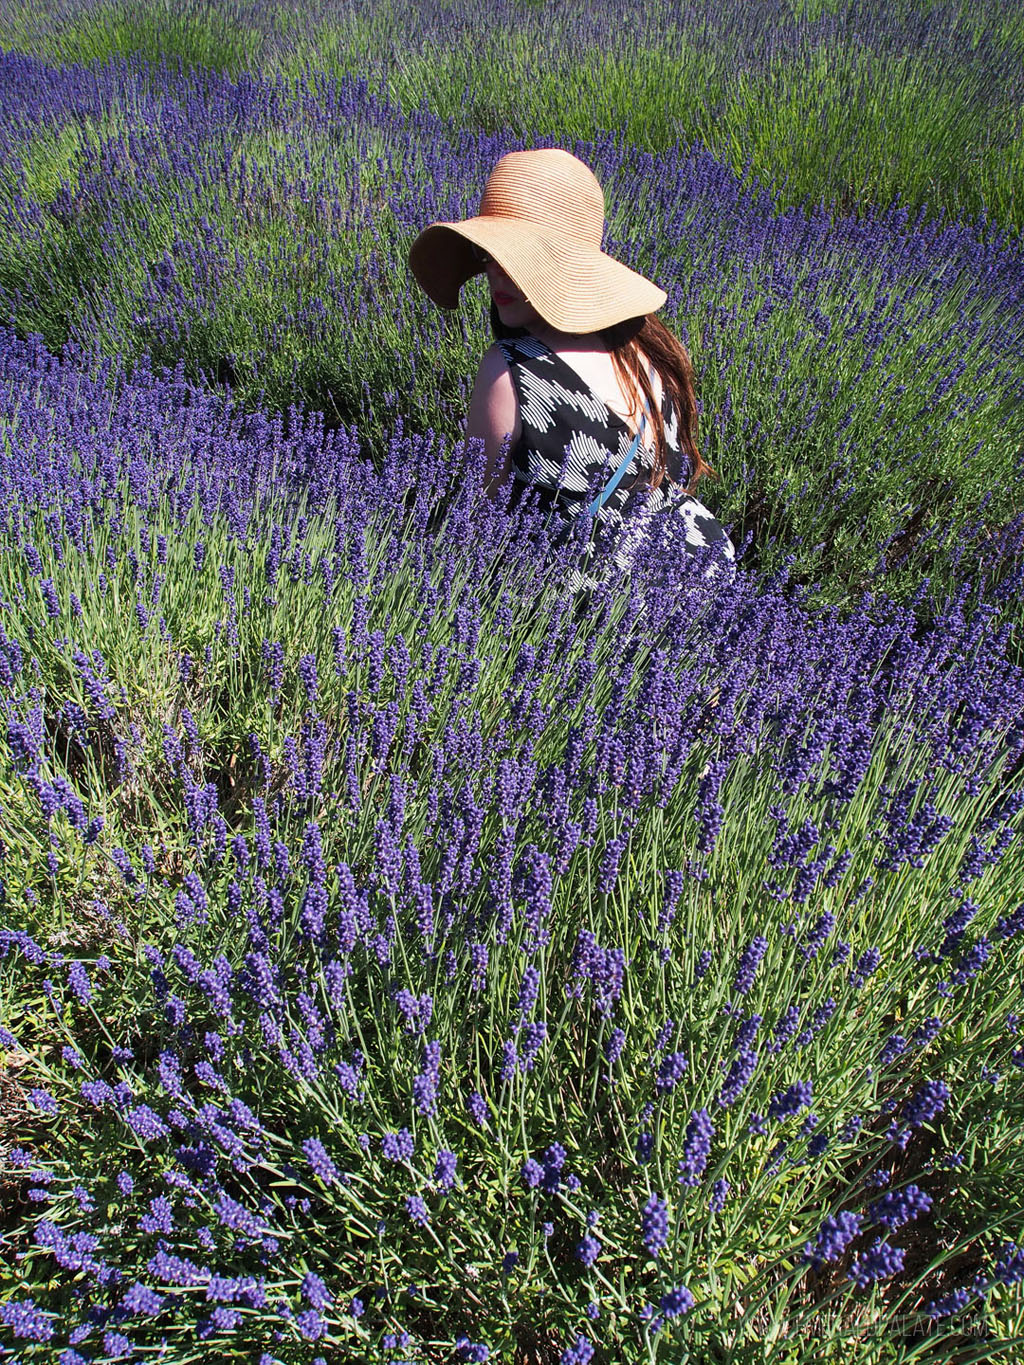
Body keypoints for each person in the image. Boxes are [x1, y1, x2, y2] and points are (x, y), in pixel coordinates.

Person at [408, 147, 733, 594]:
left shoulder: (512, 370)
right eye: (487, 256)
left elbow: (477, 519)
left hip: (584, 616)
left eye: (517, 259)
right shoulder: (647, 349)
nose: (495, 275)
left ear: (559, 263)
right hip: (694, 586)